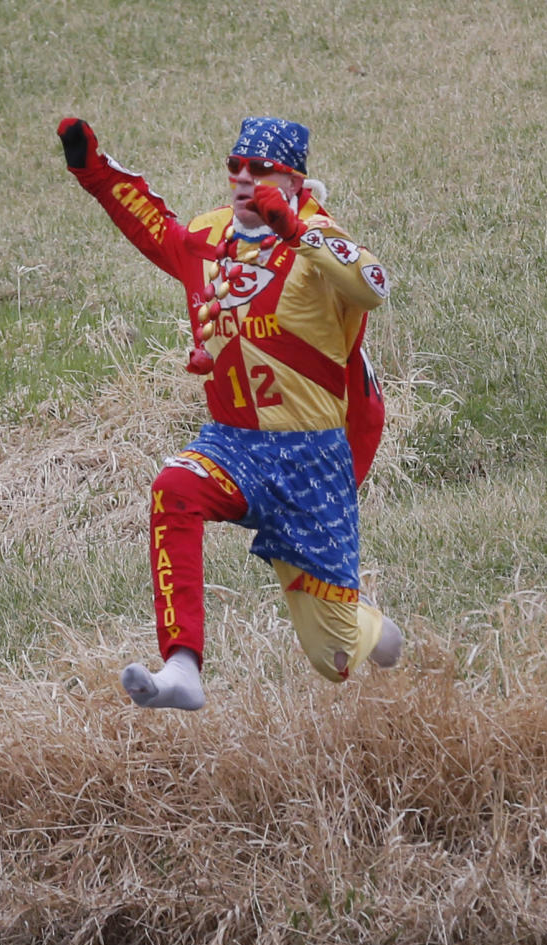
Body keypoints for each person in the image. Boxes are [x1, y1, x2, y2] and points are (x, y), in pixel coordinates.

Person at [57, 113, 403, 710]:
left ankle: (378, 634)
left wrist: (293, 229)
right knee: (173, 489)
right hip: (231, 444)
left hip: (309, 461)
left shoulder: (321, 240)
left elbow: (374, 285)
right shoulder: (210, 237)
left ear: (295, 179)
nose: (244, 178)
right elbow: (151, 224)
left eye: (262, 169)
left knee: (333, 658)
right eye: (235, 167)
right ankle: (182, 665)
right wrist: (90, 169)